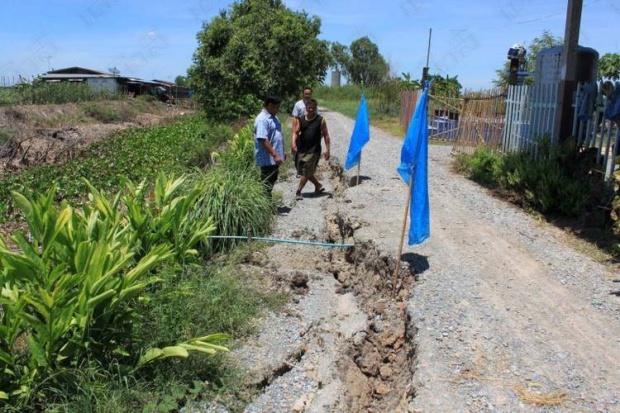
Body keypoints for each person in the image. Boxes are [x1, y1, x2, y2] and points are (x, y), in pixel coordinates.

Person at [291, 98, 330, 200]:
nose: (311, 109)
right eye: (309, 107)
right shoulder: (301, 119)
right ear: (306, 108)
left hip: (314, 150)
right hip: (302, 148)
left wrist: (328, 150)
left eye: (313, 108)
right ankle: (318, 185)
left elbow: (326, 135)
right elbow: (295, 132)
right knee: (303, 170)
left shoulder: (320, 120)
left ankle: (298, 191)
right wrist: (293, 144)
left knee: (306, 171)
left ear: (316, 108)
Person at [254, 96, 285, 197]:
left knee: (272, 179)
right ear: (270, 105)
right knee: (267, 181)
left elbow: (276, 135)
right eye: (277, 107)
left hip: (274, 156)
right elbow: (263, 139)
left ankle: (267, 202)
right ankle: (264, 204)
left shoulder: (274, 117)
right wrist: (275, 155)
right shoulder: (262, 119)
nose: (278, 109)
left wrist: (281, 152)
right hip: (267, 157)